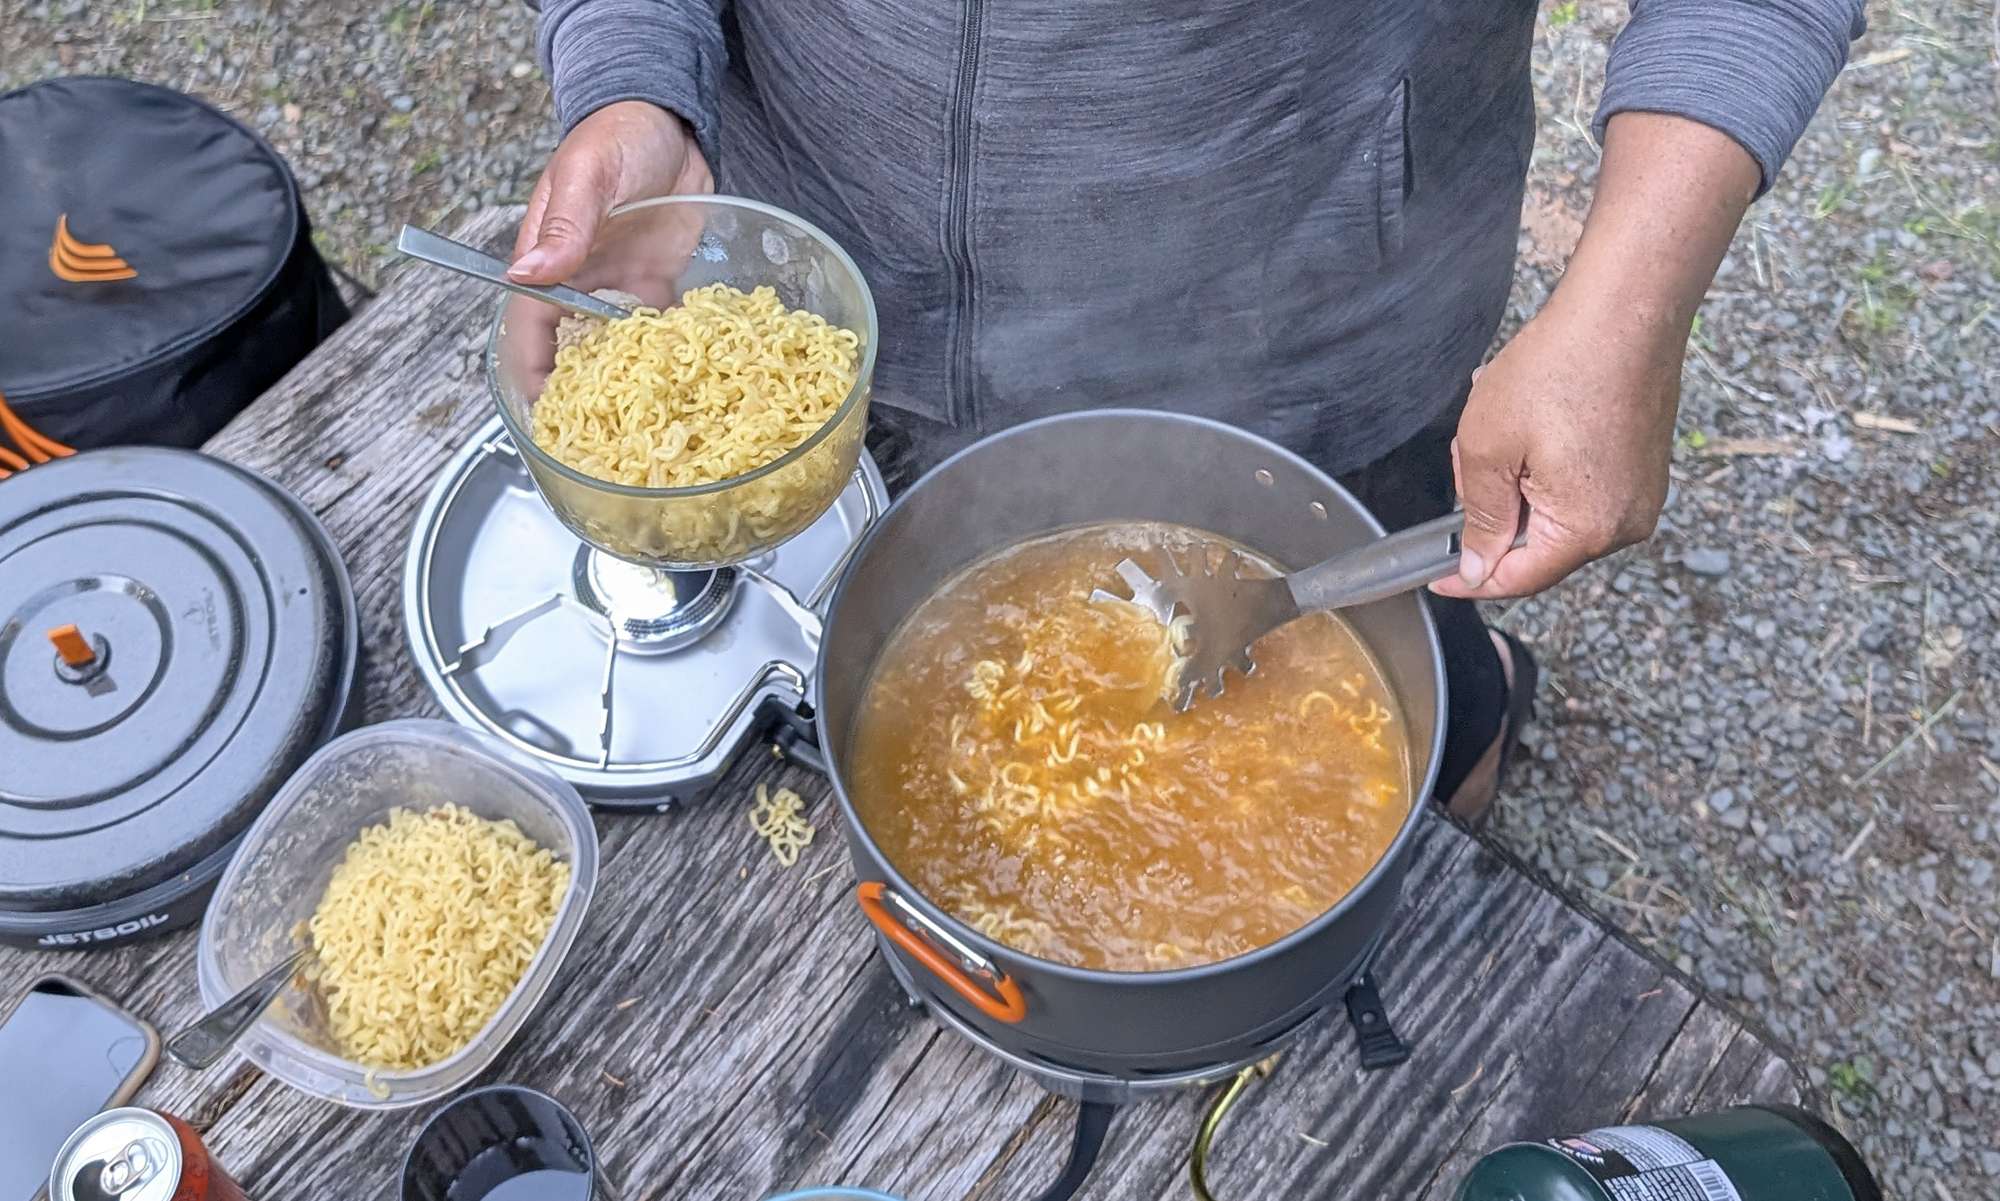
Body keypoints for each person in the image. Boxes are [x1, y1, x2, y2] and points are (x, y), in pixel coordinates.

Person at [509, 0, 1865, 823]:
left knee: (1410, 670)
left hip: (1326, 304)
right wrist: (631, 72)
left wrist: (1629, 313)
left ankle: (1469, 732)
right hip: (821, 295)